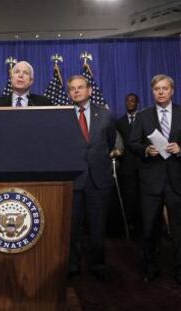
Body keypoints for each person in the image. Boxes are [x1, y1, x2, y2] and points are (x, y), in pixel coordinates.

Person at [129, 74, 181, 284]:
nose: (160, 92)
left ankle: (179, 271)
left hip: (177, 180)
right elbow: (133, 143)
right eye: (156, 89)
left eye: (164, 88)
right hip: (151, 180)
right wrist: (146, 149)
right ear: (152, 92)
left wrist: (180, 148)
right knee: (150, 228)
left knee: (178, 228)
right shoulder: (143, 116)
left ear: (172, 91)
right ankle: (151, 268)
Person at [67, 75, 116, 281]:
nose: (76, 91)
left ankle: (97, 265)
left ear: (90, 91)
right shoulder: (64, 115)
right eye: (72, 89)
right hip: (74, 179)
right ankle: (72, 265)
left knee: (97, 227)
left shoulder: (104, 115)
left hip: (99, 179)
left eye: (80, 88)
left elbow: (111, 141)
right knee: (71, 228)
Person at [115, 93, 141, 235]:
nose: (129, 103)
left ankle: (141, 225)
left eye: (132, 101)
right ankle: (129, 225)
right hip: (126, 166)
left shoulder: (144, 119)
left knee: (142, 197)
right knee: (128, 197)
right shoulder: (119, 122)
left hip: (144, 164)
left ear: (137, 103)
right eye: (127, 101)